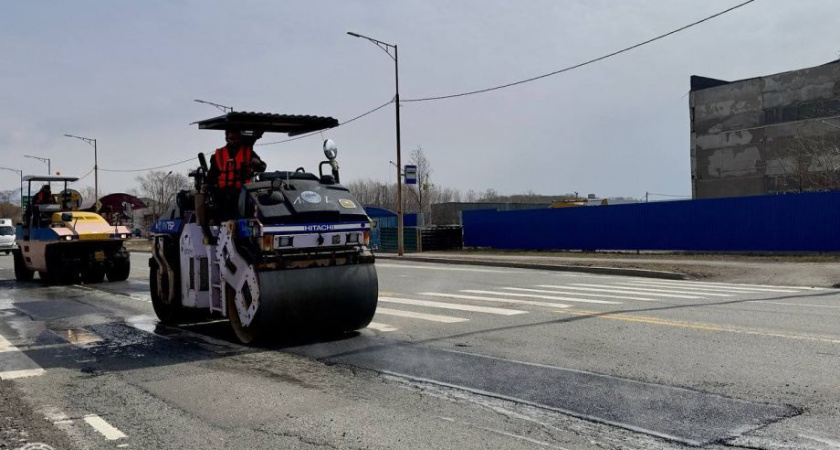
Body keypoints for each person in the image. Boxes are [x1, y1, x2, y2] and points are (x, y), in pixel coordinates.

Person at [207, 129, 267, 220]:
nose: (235, 141)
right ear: (227, 138)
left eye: (237, 138)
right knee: (223, 218)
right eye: (232, 138)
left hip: (242, 193)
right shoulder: (218, 155)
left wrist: (257, 163)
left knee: (244, 215)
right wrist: (213, 190)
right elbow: (211, 177)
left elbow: (262, 167)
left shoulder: (248, 152)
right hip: (223, 195)